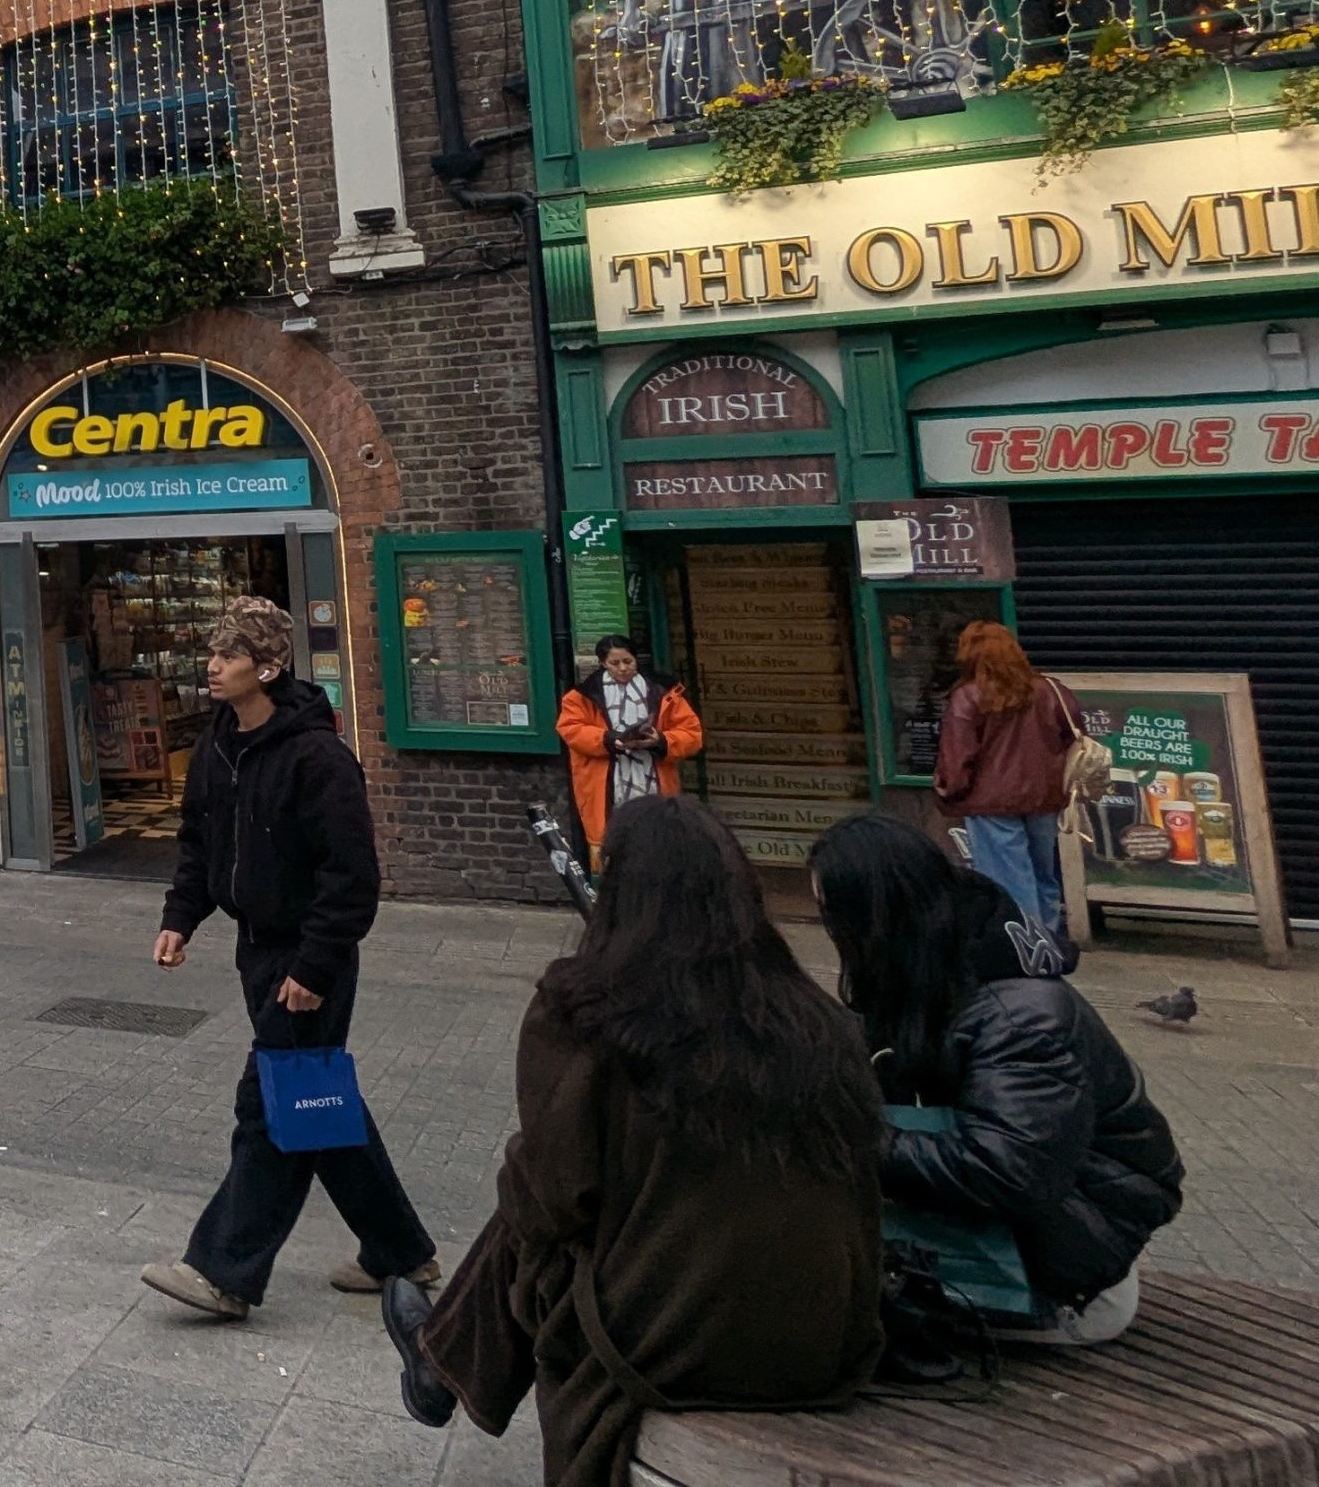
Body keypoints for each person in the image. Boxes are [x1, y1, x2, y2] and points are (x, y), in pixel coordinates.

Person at [381, 799, 884, 1487]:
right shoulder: (817, 1019)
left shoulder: (588, 1015)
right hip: (828, 1338)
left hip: (671, 1341)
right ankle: (441, 1364)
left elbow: (550, 1208)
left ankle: (445, 1364)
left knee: (532, 1198)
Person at [146, 596, 437, 1321]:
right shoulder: (218, 745)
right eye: (211, 653)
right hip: (258, 950)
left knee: (269, 1103)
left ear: (268, 667)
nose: (211, 667)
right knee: (319, 1102)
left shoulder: (318, 756)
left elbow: (351, 877)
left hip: (311, 958)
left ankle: (223, 1271)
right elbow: (198, 841)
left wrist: (313, 968)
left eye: (228, 655)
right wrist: (181, 917)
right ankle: (402, 1252)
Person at [811, 813, 1181, 1344]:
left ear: (874, 917)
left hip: (1062, 1281)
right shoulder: (923, 981)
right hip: (997, 1250)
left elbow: (1007, 1172)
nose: (832, 936)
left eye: (833, 916)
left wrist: (845, 1140)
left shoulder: (1022, 1015)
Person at [933, 621, 1082, 955]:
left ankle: (1024, 949)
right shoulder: (1049, 690)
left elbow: (957, 757)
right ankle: (1049, 940)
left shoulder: (968, 696)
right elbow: (1073, 734)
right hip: (1044, 797)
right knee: (1043, 873)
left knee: (1009, 877)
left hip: (991, 802)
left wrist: (948, 791)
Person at [554, 636, 701, 863]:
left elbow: (691, 734)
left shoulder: (663, 691)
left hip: (653, 778)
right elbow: (570, 729)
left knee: (658, 842)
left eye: (628, 661)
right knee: (613, 846)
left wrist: (661, 740)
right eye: (615, 663)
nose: (623, 668)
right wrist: (607, 740)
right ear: (603, 663)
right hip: (606, 784)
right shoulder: (581, 696)